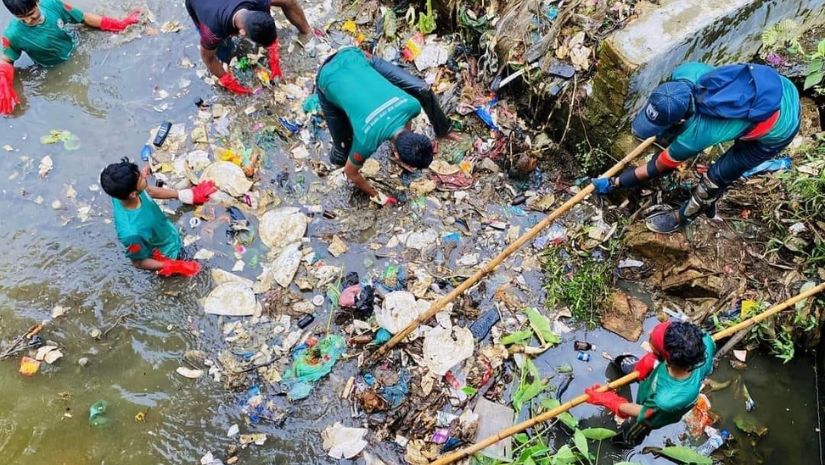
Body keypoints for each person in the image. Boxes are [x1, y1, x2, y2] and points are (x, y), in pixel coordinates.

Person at [591, 62, 801, 234]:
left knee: (715, 177)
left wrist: (615, 182)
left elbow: (658, 166)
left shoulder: (700, 132)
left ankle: (681, 218)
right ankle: (711, 199)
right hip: (778, 89)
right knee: (721, 144)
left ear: (682, 118)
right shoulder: (686, 72)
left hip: (779, 128)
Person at [316, 46, 458, 206]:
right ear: (396, 153)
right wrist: (378, 196)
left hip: (353, 55)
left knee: (419, 89)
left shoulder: (412, 106)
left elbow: (407, 120)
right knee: (342, 155)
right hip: (326, 76)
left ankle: (443, 131)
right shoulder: (366, 141)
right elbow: (351, 173)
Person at [585, 321, 716, 445]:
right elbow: (708, 368)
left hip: (652, 413)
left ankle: (624, 442)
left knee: (631, 433)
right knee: (622, 362)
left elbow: (645, 412)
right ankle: (625, 365)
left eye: (653, 339)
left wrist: (613, 402)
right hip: (658, 372)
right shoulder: (703, 342)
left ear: (666, 356)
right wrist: (654, 358)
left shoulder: (666, 400)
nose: (649, 332)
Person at [0, 0, 140, 115]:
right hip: (50, 67)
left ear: (37, 2)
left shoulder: (53, 5)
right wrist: (4, 80)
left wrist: (119, 25)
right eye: (21, 18)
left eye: (31, 14)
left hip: (75, 46)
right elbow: (7, 59)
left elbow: (83, 18)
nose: (29, 20)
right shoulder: (13, 34)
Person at [100, 158, 217, 277]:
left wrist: (184, 195)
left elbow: (148, 191)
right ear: (133, 194)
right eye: (140, 177)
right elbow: (138, 262)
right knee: (205, 272)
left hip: (168, 232)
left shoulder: (122, 192)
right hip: (167, 255)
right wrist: (172, 265)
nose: (143, 174)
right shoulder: (131, 233)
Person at [185, 0, 312, 95]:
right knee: (225, 52)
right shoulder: (212, 33)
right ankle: (226, 56)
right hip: (199, 4)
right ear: (242, 33)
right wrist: (233, 85)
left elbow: (289, 2)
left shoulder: (260, 1)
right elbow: (208, 59)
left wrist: (306, 31)